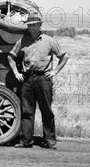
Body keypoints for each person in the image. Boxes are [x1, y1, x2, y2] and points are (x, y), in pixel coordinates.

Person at [8, 13, 69, 149]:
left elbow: (64, 56)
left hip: (43, 79)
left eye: (35, 24)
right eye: (30, 25)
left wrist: (55, 71)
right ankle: (26, 140)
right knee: (27, 111)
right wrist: (16, 73)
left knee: (46, 110)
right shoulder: (23, 41)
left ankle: (50, 140)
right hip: (27, 78)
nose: (32, 27)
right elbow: (11, 57)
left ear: (40, 25)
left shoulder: (48, 41)